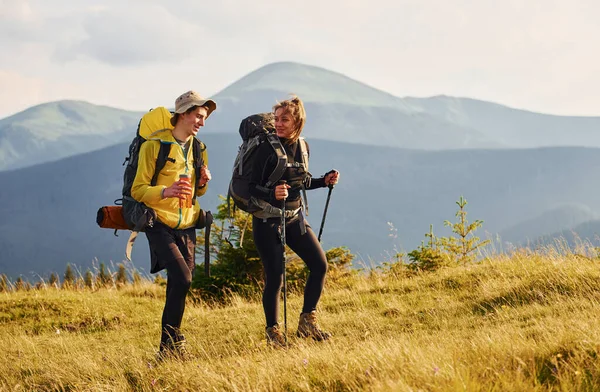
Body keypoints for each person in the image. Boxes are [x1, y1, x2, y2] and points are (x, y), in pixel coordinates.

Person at [131, 90, 216, 358]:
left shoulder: (199, 149)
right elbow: (138, 190)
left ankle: (169, 348)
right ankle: (171, 344)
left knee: (181, 283)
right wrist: (164, 192)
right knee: (182, 276)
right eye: (198, 116)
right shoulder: (154, 147)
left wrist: (202, 184)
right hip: (159, 222)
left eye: (204, 118)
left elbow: (196, 194)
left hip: (187, 223)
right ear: (183, 114)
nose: (202, 122)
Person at [249, 96, 340, 347]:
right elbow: (248, 187)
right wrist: (271, 193)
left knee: (320, 265)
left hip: (293, 218)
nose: (278, 123)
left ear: (297, 121)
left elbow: (301, 181)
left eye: (284, 119)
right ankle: (273, 333)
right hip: (267, 220)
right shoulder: (265, 148)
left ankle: (307, 322)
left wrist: (324, 181)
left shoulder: (303, 146)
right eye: (276, 119)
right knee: (275, 277)